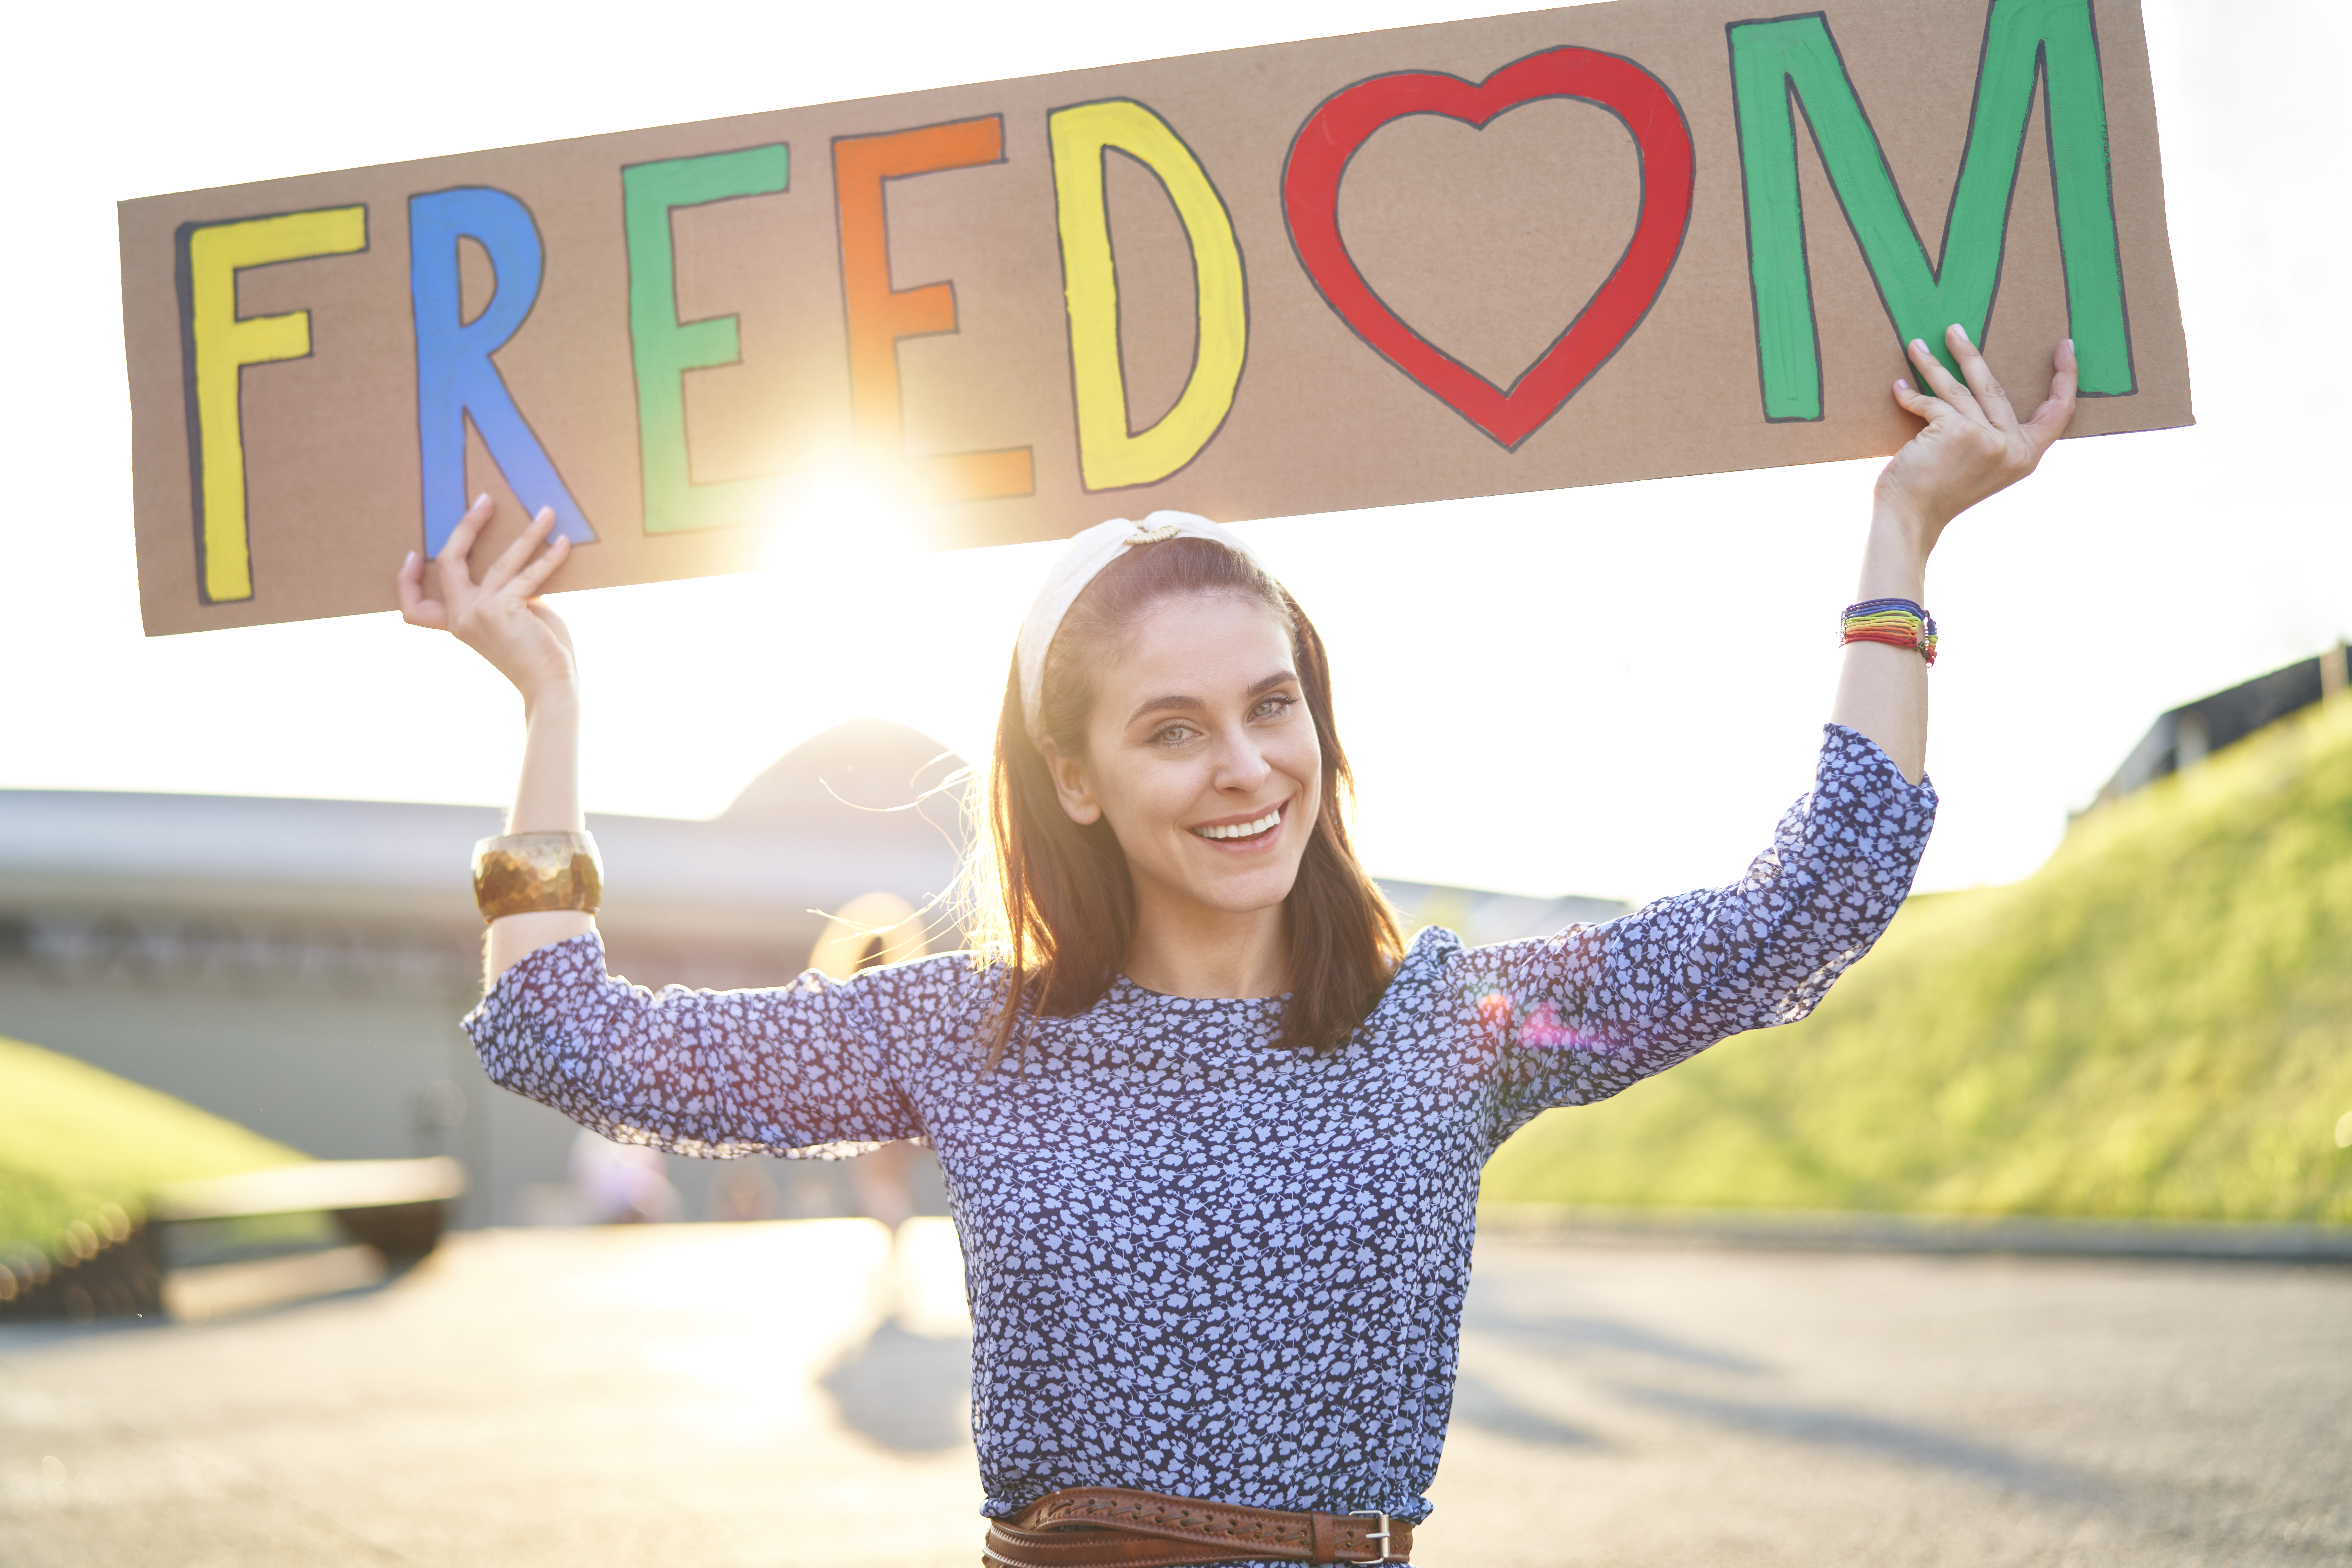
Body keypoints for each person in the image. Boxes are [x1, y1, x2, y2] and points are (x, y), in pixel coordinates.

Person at [398, 327, 2075, 1566]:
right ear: (1079, 778)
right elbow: (564, 1041)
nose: (1245, 768)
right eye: (1174, 731)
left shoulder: (1457, 1028)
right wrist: (550, 699)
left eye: (1273, 708)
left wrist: (1902, 541)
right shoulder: (962, 1034)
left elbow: (1820, 899)